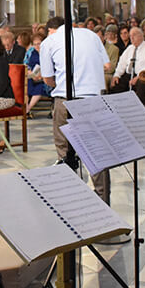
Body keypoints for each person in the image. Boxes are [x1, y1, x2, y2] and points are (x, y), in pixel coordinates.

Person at [40, 15, 112, 202]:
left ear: (51, 30)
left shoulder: (50, 42)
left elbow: (47, 79)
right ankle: (102, 200)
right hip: (94, 99)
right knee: (97, 152)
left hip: (65, 99)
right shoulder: (91, 35)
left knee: (64, 151)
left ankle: (71, 200)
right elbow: (107, 64)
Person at [110, 26, 145, 103]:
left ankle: (140, 108)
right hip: (129, 74)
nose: (131, 38)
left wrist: (138, 77)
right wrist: (116, 75)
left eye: (134, 35)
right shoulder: (130, 48)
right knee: (116, 84)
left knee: (140, 84)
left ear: (140, 36)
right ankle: (117, 107)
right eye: (130, 35)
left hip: (143, 76)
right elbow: (122, 63)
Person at [24, 28, 50, 115]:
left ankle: (27, 109)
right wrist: (29, 72)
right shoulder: (31, 52)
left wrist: (42, 75)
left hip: (45, 78)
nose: (37, 46)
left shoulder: (48, 52)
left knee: (39, 87)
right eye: (34, 44)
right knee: (26, 84)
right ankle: (26, 108)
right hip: (33, 76)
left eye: (39, 44)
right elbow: (26, 64)